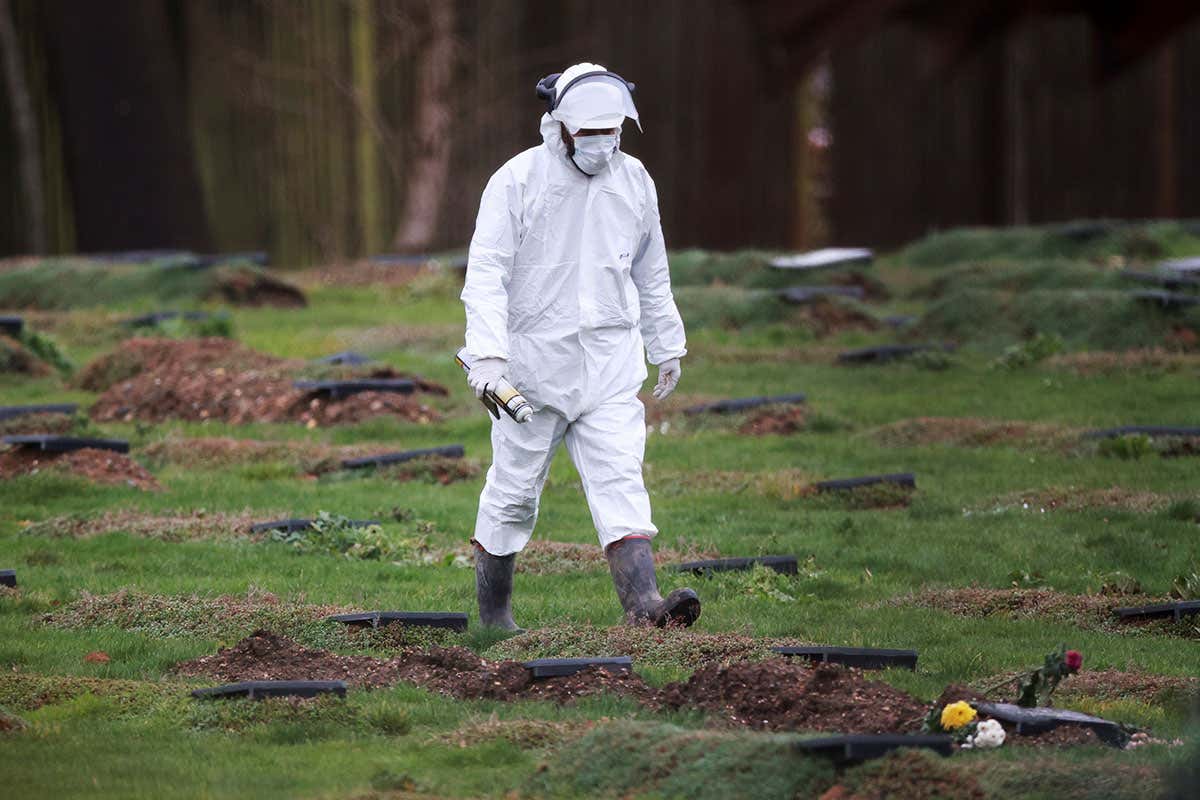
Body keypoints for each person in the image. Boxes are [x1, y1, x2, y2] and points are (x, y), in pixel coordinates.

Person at [461, 62, 699, 631]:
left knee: (621, 480)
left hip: (610, 367)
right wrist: (489, 361)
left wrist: (666, 342)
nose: (602, 144)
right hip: (532, 373)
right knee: (514, 494)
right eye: (590, 133)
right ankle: (494, 616)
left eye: (612, 131)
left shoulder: (635, 180)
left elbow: (652, 269)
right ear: (559, 127)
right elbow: (486, 274)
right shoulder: (517, 181)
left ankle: (645, 607)